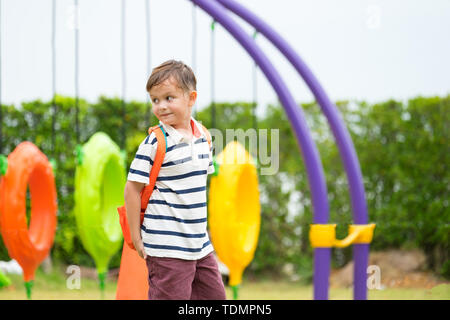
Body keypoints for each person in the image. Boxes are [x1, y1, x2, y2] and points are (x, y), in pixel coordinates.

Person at [123, 59, 226, 300]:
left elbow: (197, 190)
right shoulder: (155, 142)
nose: (161, 106)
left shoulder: (204, 137)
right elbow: (131, 189)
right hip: (167, 246)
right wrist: (136, 237)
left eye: (169, 98)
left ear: (191, 98)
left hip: (200, 245)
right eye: (155, 100)